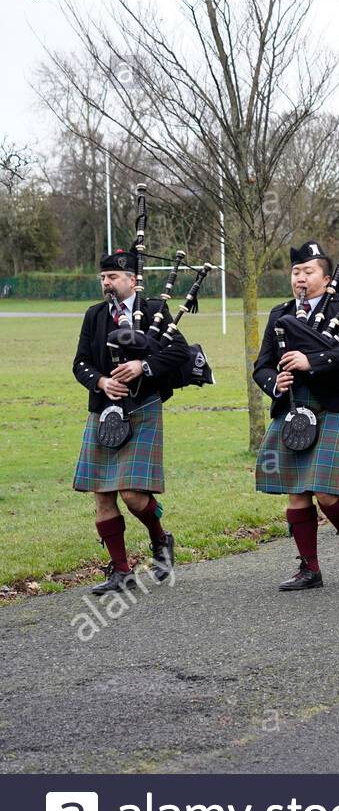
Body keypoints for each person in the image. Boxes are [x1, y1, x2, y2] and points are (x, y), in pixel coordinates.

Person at [73, 248, 191, 593]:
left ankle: (160, 539)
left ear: (133, 280)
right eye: (103, 278)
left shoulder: (153, 310)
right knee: (102, 495)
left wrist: (143, 366)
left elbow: (179, 351)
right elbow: (80, 362)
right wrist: (100, 381)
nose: (107, 284)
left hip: (142, 407)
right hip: (104, 411)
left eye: (113, 278)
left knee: (133, 495)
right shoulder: (94, 315)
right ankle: (121, 572)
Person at [253, 241, 339, 591]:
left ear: (326, 278)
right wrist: (275, 381)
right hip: (292, 409)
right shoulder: (280, 313)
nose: (300, 278)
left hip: (332, 406)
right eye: (296, 272)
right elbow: (262, 366)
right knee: (297, 492)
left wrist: (311, 362)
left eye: (308, 271)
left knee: (328, 494)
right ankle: (309, 568)